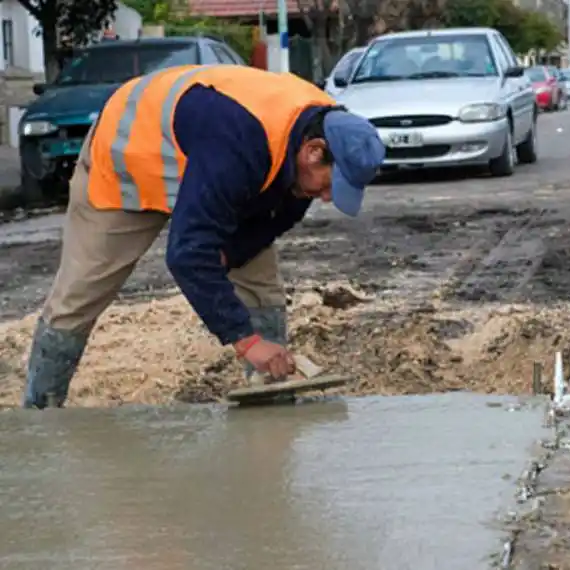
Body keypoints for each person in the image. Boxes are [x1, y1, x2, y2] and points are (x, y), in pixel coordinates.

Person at [22, 64, 385, 409]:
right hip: (129, 157)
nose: (326, 198)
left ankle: (272, 397)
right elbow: (186, 255)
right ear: (313, 151)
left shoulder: (316, 130)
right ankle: (41, 412)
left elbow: (279, 216)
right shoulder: (239, 142)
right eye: (329, 185)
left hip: (207, 160)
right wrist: (245, 341)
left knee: (261, 287)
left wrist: (234, 252)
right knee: (81, 290)